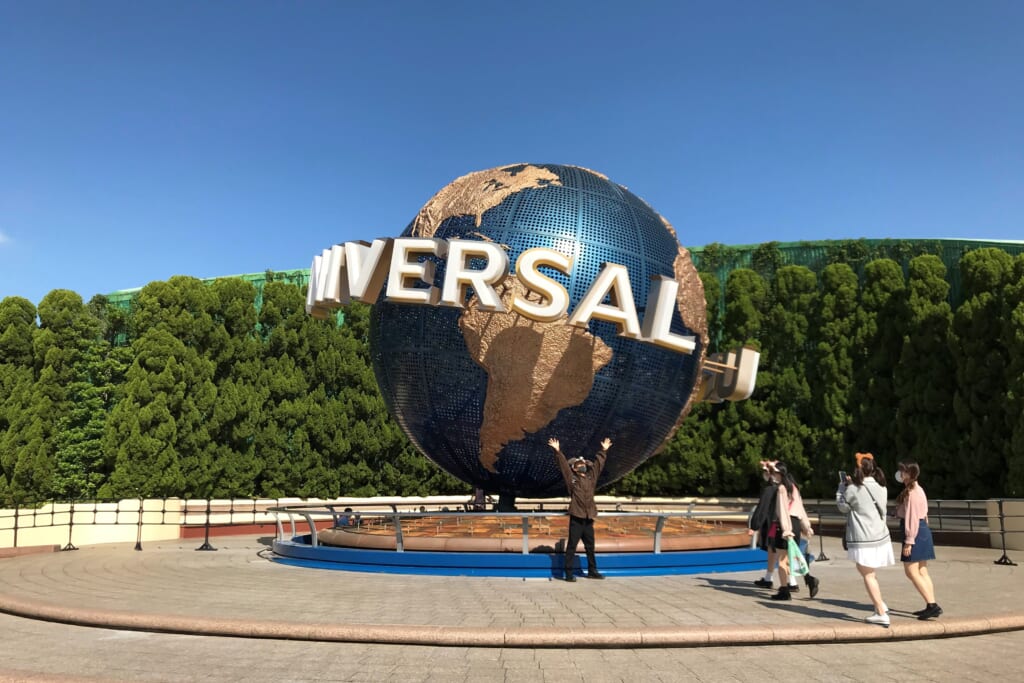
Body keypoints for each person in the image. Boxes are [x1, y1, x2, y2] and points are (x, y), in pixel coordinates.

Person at [836, 452, 895, 626]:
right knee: (869, 573)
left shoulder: (853, 489)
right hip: (880, 536)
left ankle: (881, 612)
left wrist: (841, 488)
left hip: (863, 538)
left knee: (868, 574)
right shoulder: (881, 486)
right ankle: (880, 604)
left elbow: (843, 507)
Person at [548, 436, 611, 581]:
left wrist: (603, 451)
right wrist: (558, 451)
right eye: (579, 464)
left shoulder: (590, 478)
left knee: (590, 547)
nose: (582, 465)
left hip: (588, 518)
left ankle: (592, 571)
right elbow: (564, 466)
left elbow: (598, 466)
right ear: (574, 468)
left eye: (583, 464)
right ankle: (569, 574)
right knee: (572, 546)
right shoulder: (572, 480)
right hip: (577, 518)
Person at [896, 459, 942, 620]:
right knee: (922, 570)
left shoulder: (912, 493)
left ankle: (932, 605)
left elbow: (912, 518)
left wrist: (909, 541)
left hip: (915, 532)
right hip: (922, 531)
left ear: (909, 474)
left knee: (911, 571)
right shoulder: (917, 489)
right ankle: (931, 603)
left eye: (902, 471)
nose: (900, 474)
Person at [768, 461, 820, 600]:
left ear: (779, 473)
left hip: (785, 525)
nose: (772, 475)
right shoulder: (794, 487)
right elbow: (801, 509)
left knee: (782, 560)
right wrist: (806, 526)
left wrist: (786, 530)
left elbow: (783, 510)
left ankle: (784, 590)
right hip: (796, 524)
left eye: (774, 472)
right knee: (793, 556)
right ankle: (809, 579)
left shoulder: (782, 488)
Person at [748, 460, 798, 593]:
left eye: (767, 471)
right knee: (778, 551)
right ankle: (773, 578)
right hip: (790, 523)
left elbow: (762, 508)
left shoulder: (773, 489)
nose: (765, 473)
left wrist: (754, 526)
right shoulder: (791, 486)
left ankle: (788, 583)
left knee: (781, 554)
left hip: (776, 524)